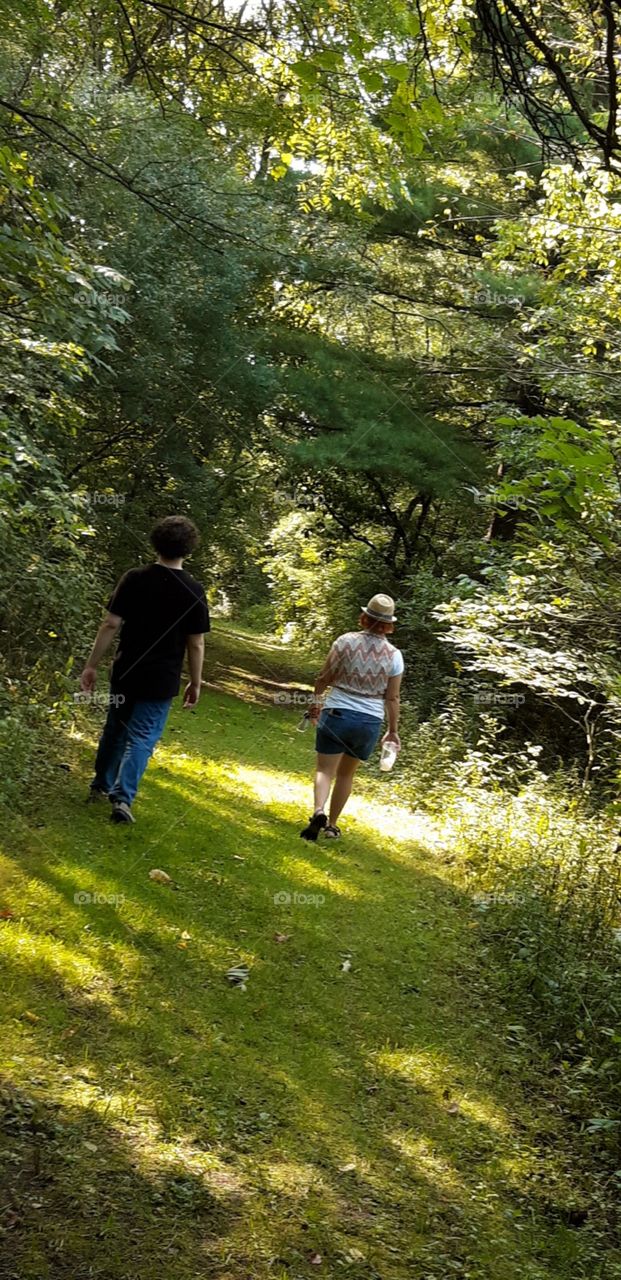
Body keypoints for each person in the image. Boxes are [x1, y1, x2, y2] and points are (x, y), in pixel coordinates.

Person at [79, 515, 210, 824]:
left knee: (115, 728)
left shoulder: (134, 578)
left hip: (126, 670)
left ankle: (100, 784)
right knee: (142, 736)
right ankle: (123, 799)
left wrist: (91, 665)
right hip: (162, 678)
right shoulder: (194, 590)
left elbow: (110, 623)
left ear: (156, 542)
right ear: (189, 548)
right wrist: (196, 682)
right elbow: (196, 643)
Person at [300, 593, 403, 842]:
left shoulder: (344, 642)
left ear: (364, 617)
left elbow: (324, 677)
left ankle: (318, 811)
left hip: (337, 713)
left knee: (325, 770)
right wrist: (392, 731)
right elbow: (392, 697)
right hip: (369, 721)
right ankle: (332, 826)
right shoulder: (394, 655)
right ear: (389, 625)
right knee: (346, 775)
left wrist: (316, 703)